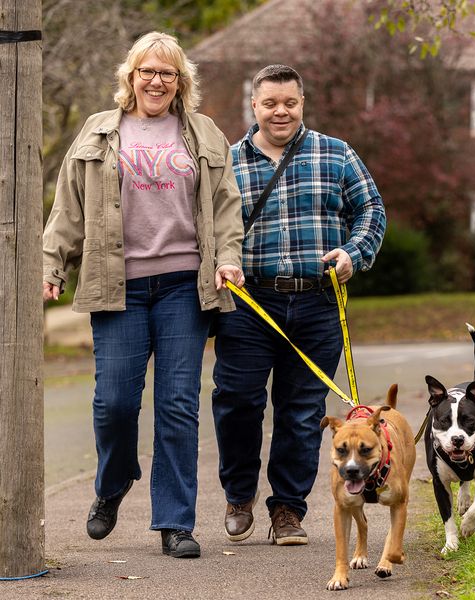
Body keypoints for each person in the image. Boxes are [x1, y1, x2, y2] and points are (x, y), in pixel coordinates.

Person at [42, 31, 244, 559]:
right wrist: (52, 264)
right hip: (118, 284)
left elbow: (225, 205)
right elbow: (69, 205)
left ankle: (175, 522)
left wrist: (228, 258)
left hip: (184, 285)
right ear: (130, 77)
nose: (156, 81)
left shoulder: (202, 133)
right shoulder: (99, 131)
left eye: (168, 73)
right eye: (147, 71)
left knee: (178, 405)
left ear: (181, 82)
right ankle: (113, 483)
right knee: (114, 404)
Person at [212, 64, 386, 546]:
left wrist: (354, 252)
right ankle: (239, 494)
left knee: (303, 411)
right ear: (254, 106)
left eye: (289, 103)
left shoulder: (336, 153)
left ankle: (288, 510)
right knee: (237, 403)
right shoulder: (227, 162)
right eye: (270, 103)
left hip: (317, 301)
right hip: (249, 304)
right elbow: (206, 226)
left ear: (302, 103)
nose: (280, 112)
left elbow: (371, 208)